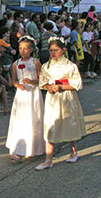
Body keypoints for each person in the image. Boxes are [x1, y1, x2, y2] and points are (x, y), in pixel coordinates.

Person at [35, 37, 86, 171]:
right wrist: (48, 87)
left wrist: (62, 87)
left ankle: (73, 151)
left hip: (66, 97)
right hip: (53, 99)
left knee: (70, 122)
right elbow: (43, 82)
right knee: (50, 125)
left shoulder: (70, 65)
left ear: (63, 50)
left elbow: (77, 84)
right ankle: (48, 159)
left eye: (56, 50)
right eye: (51, 50)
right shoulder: (46, 66)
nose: (53, 53)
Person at [6, 36, 44, 161]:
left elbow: (41, 78)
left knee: (33, 118)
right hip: (21, 94)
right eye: (20, 48)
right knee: (21, 120)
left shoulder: (35, 62)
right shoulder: (15, 63)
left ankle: (33, 147)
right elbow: (13, 81)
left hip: (33, 93)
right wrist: (18, 85)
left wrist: (32, 81)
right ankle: (19, 148)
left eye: (26, 49)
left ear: (31, 49)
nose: (23, 51)